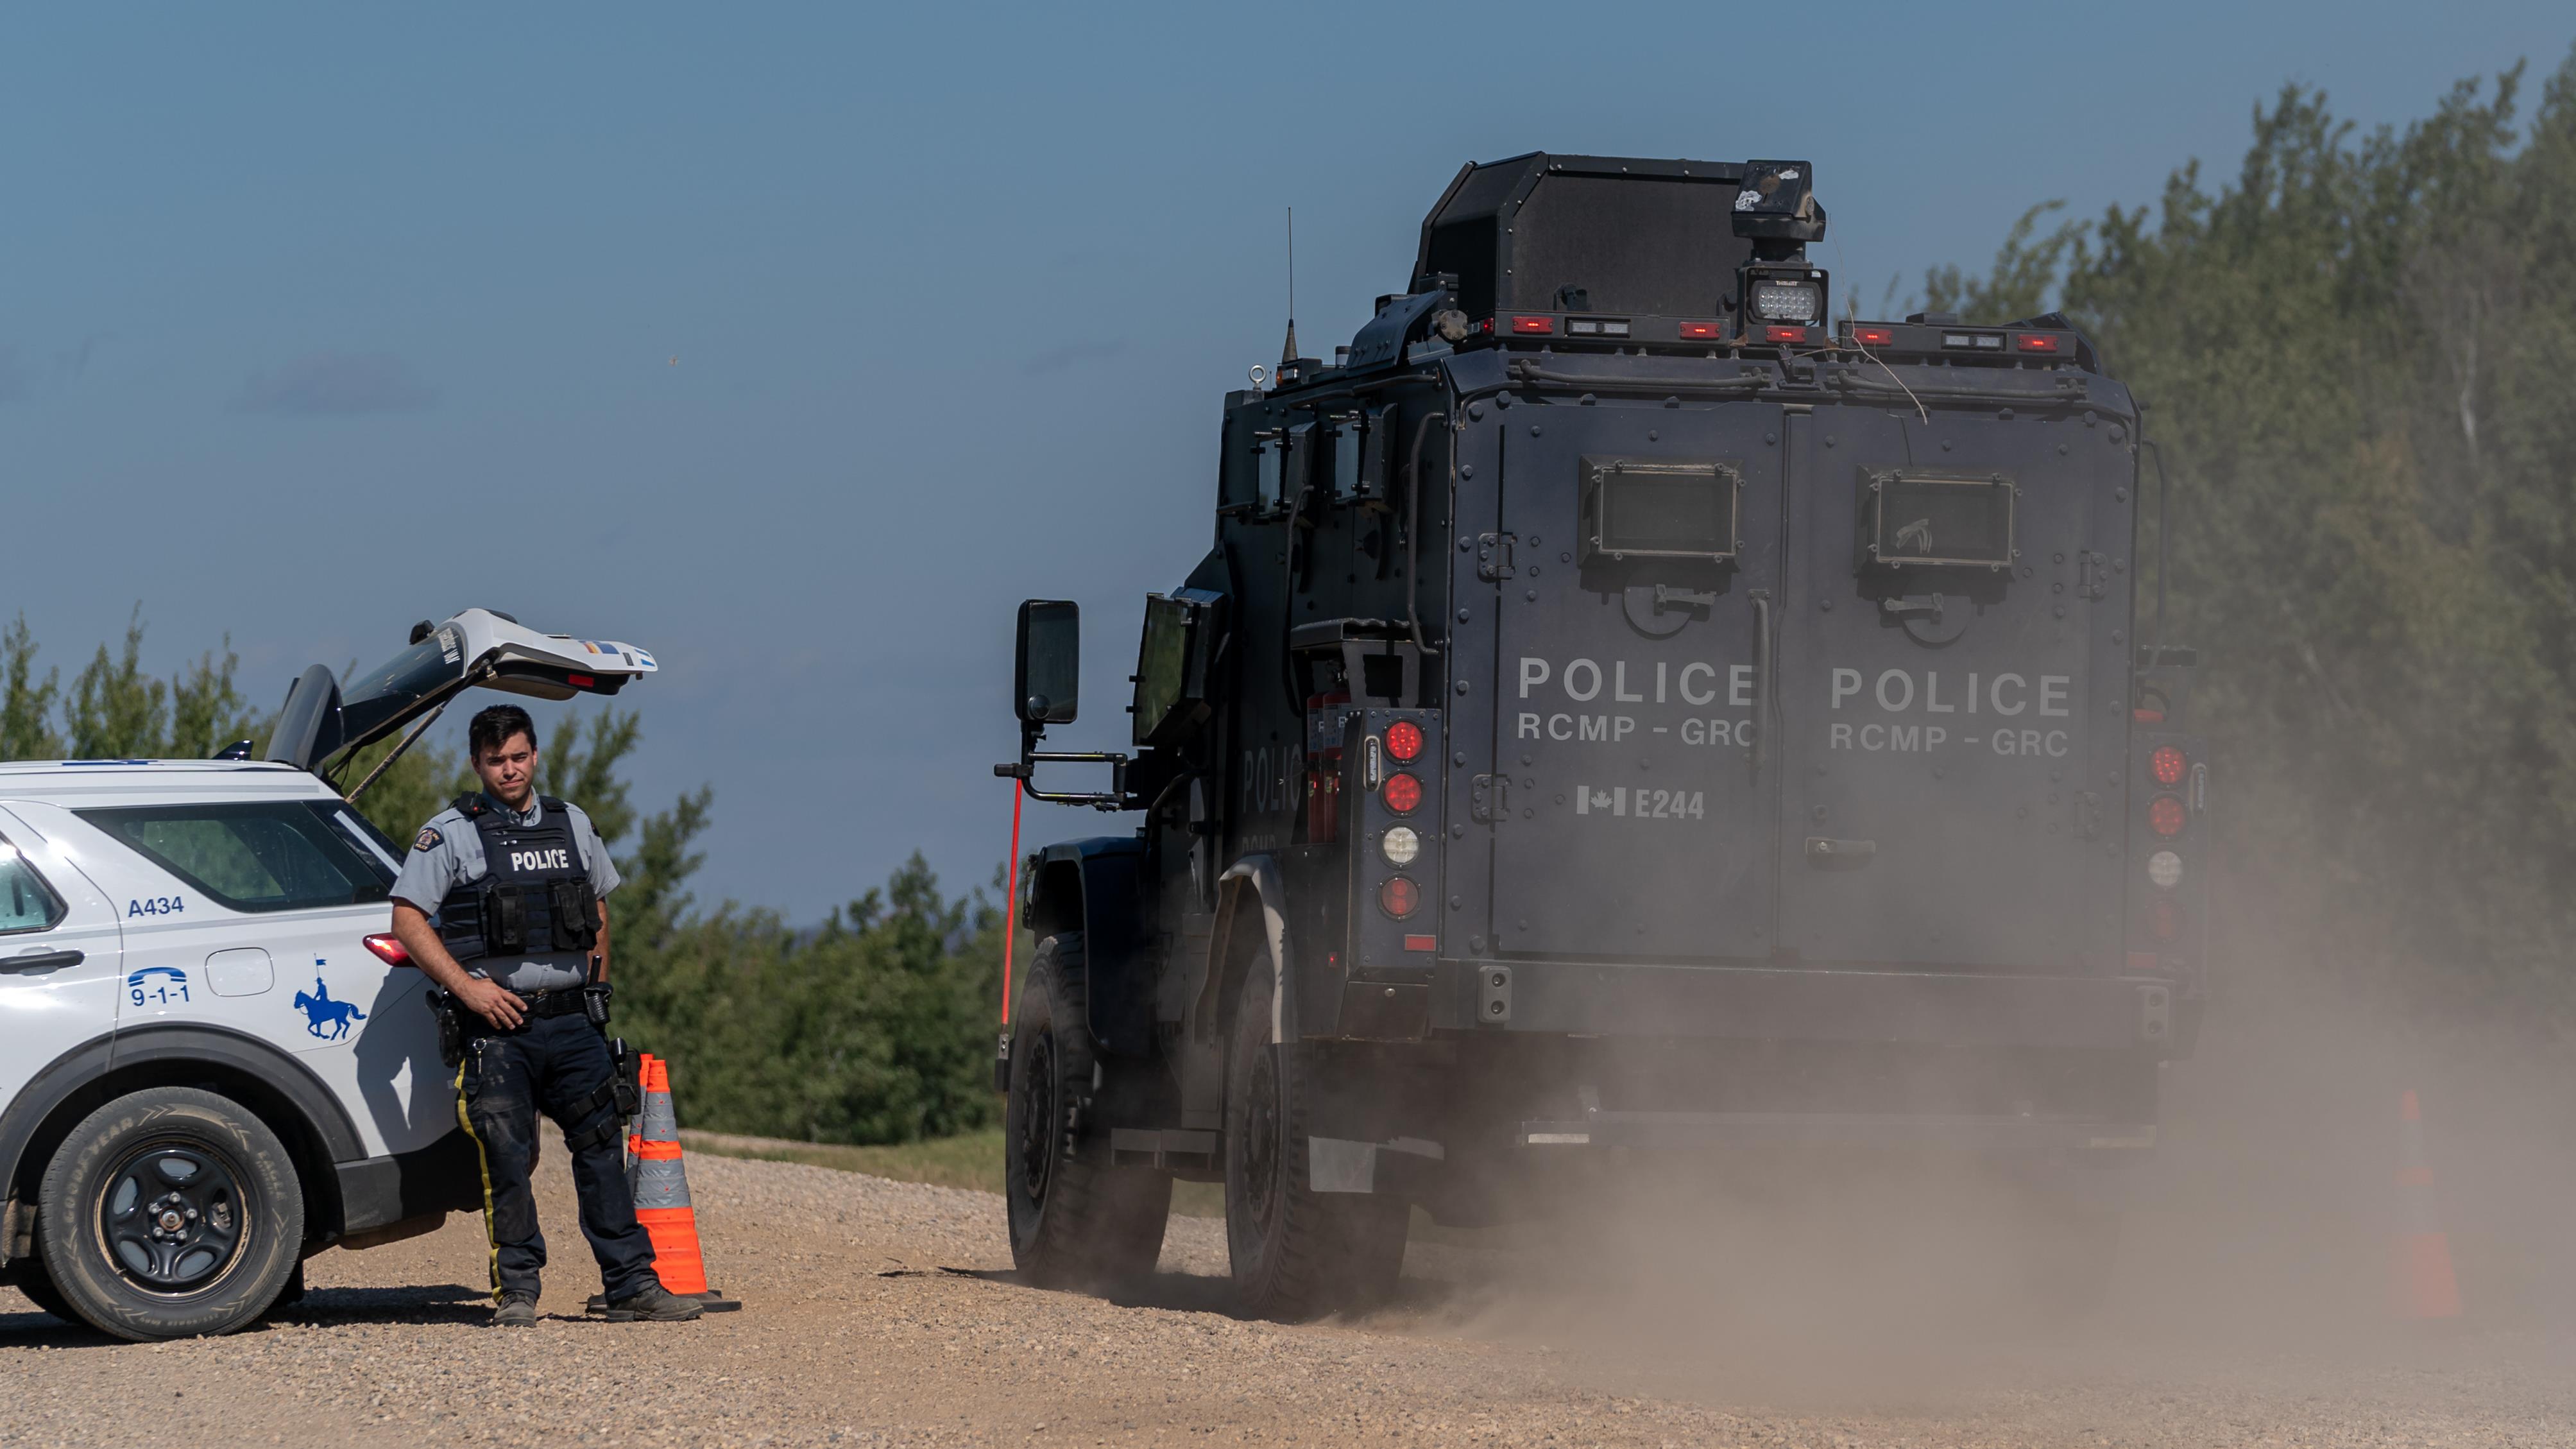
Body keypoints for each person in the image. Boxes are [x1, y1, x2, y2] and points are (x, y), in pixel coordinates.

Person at [390, 703, 702, 1326]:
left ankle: (632, 1285)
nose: (509, 769)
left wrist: (596, 986)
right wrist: (469, 990)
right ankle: (518, 1291)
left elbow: (598, 904)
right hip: (499, 1028)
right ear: (476, 762)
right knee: (507, 1155)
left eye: (518, 756)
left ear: (534, 754)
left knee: (599, 1149)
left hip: (572, 1023)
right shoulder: (450, 831)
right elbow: (405, 918)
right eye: (496, 759)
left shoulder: (571, 822)